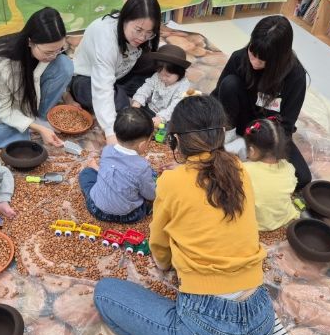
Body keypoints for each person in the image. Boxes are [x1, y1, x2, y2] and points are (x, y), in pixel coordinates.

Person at [94, 96, 301, 335]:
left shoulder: (171, 181)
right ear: (221, 133)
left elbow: (159, 244)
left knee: (105, 293)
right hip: (259, 317)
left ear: (176, 141)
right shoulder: (240, 169)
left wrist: (164, 264)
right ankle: (270, 329)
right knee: (236, 285)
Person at [210, 15, 312, 189]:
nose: (255, 62)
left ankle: (244, 155)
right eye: (252, 53)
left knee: (302, 178)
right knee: (229, 84)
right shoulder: (239, 58)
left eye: (263, 60)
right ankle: (230, 142)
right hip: (237, 121)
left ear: (278, 60)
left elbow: (285, 127)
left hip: (268, 133)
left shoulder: (295, 76)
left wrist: (259, 150)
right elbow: (217, 96)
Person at [0, 7, 73, 152]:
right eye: (49, 52)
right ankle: (26, 129)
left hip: (30, 104)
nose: (54, 56)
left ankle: (37, 120)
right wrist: (36, 128)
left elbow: (58, 65)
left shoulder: (51, 52)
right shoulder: (0, 62)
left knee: (65, 64)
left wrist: (68, 97)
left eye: (59, 49)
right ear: (30, 41)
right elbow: (2, 109)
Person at [67, 0, 161, 145]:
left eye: (149, 33)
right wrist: (110, 132)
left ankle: (122, 94)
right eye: (138, 30)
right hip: (87, 78)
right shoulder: (105, 37)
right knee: (118, 102)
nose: (142, 37)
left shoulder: (141, 36)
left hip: (119, 74)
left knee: (159, 63)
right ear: (124, 19)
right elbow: (102, 87)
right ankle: (122, 98)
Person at [78, 108, 156, 223]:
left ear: (115, 134)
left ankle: (95, 173)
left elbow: (109, 172)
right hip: (129, 215)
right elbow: (151, 194)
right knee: (149, 183)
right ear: (142, 144)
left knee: (86, 173)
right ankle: (147, 208)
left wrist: (95, 167)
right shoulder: (142, 167)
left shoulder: (107, 150)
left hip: (97, 209)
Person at [243, 117, 300, 232]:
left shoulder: (244, 169)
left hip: (256, 224)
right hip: (283, 219)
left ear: (252, 151)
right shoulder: (289, 167)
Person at [130, 44, 191, 126]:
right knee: (134, 116)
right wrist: (137, 102)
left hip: (168, 116)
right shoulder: (157, 76)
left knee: (172, 126)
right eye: (160, 73)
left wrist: (161, 118)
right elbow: (146, 87)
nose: (163, 78)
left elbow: (175, 106)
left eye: (167, 76)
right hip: (150, 107)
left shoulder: (183, 86)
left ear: (180, 73)